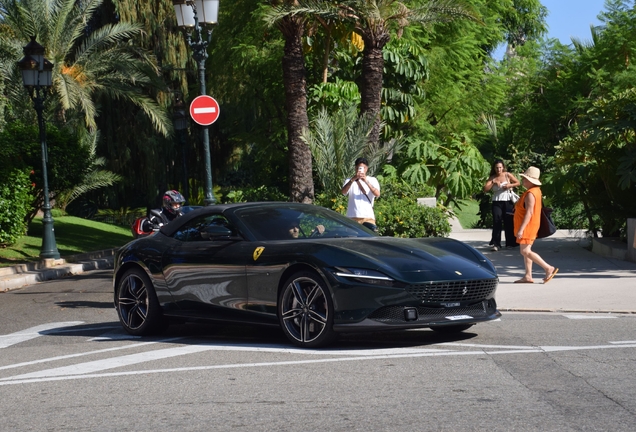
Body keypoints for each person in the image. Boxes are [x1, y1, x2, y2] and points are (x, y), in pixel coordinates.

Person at [513, 167, 559, 284]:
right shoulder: (535, 191)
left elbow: (529, 213)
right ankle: (528, 275)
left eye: (524, 179)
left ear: (530, 181)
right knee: (526, 250)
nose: (522, 180)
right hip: (531, 224)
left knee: (525, 251)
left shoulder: (530, 193)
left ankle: (548, 268)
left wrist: (521, 229)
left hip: (528, 225)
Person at [483, 159, 520, 251]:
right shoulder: (492, 177)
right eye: (496, 168)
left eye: (500, 167)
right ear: (494, 168)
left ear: (503, 167)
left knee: (509, 222)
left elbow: (518, 183)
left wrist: (509, 185)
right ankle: (496, 244)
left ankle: (510, 243)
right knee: (497, 221)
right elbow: (485, 189)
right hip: (497, 201)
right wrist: (493, 182)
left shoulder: (507, 175)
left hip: (507, 201)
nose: (498, 169)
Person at [341, 157, 380, 232]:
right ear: (356, 168)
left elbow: (377, 194)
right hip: (352, 217)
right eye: (359, 168)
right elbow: (343, 192)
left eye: (363, 168)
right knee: (353, 241)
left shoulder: (372, 180)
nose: (361, 170)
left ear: (366, 169)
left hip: (368, 217)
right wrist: (353, 179)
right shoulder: (349, 180)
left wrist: (366, 181)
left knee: (369, 241)